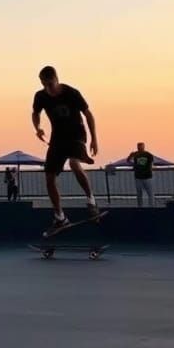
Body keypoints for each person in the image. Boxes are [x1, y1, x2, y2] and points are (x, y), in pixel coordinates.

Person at [33, 66, 100, 232]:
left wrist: (94, 139)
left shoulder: (71, 92)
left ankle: (91, 200)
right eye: (44, 85)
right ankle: (60, 217)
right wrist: (38, 128)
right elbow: (35, 113)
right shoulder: (40, 96)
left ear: (57, 79)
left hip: (76, 133)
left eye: (51, 84)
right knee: (49, 176)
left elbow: (88, 114)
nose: (49, 89)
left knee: (74, 163)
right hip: (58, 138)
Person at [127, 142, 155, 207]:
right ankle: (140, 206)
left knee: (150, 193)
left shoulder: (148, 155)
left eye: (141, 146)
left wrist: (149, 170)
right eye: (138, 147)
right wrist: (132, 162)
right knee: (139, 193)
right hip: (138, 177)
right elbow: (128, 160)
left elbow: (151, 164)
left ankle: (151, 206)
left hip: (147, 176)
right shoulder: (135, 154)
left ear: (144, 147)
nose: (139, 148)